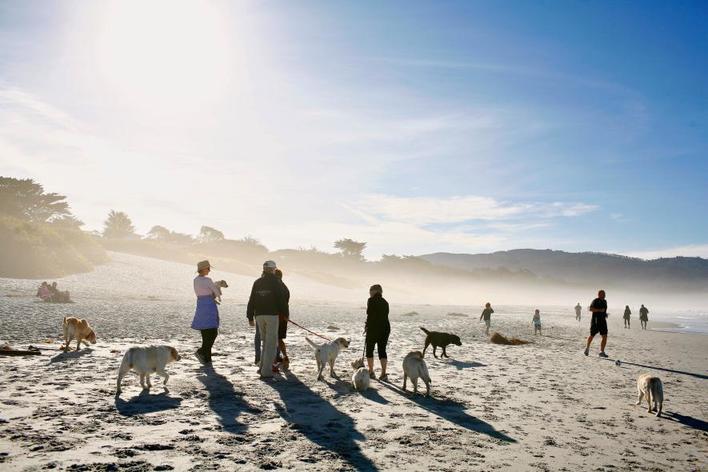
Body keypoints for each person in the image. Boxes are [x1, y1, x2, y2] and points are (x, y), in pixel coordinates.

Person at [247, 260, 289, 379]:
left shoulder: (257, 282)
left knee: (265, 342)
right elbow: (281, 300)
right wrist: (285, 314)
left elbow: (252, 300)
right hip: (272, 315)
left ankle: (261, 368)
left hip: (259, 315)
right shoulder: (276, 282)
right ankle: (266, 372)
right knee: (270, 343)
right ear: (273, 269)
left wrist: (250, 316)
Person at [191, 260, 222, 364]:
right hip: (209, 306)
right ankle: (201, 351)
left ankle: (207, 359)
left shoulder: (195, 280)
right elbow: (216, 291)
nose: (209, 270)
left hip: (200, 305)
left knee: (205, 333)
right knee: (213, 332)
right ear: (203, 269)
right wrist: (218, 294)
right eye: (208, 268)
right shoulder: (208, 280)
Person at [365, 284, 390, 381]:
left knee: (370, 349)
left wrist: (367, 325)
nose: (369, 293)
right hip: (385, 328)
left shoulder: (370, 300)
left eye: (370, 291)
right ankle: (383, 374)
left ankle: (371, 372)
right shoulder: (385, 302)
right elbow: (384, 316)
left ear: (375, 291)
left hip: (374, 328)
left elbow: (370, 314)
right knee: (382, 350)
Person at [274, 268, 291, 370]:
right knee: (279, 338)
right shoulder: (285, 287)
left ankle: (278, 359)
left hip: (278, 316)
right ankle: (284, 357)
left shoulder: (279, 287)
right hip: (284, 316)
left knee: (275, 338)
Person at [584, 289, 609, 358]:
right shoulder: (595, 301)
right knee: (592, 335)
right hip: (595, 321)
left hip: (603, 321)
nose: (604, 295)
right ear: (599, 295)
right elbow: (590, 309)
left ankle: (602, 352)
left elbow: (603, 310)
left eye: (604, 294)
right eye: (603, 294)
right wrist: (599, 310)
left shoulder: (605, 301)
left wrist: (605, 314)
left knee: (605, 336)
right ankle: (587, 348)